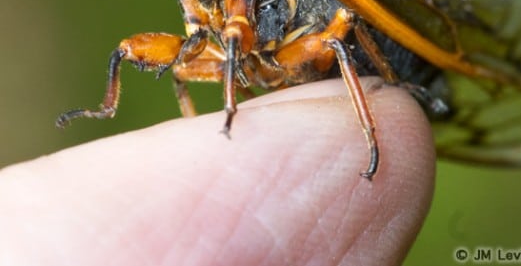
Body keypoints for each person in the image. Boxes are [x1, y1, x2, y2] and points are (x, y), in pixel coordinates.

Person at [0, 78, 435, 265]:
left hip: (354, 51)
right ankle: (188, 128)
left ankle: (372, 117)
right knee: (179, 69)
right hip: (280, 71)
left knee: (339, 41)